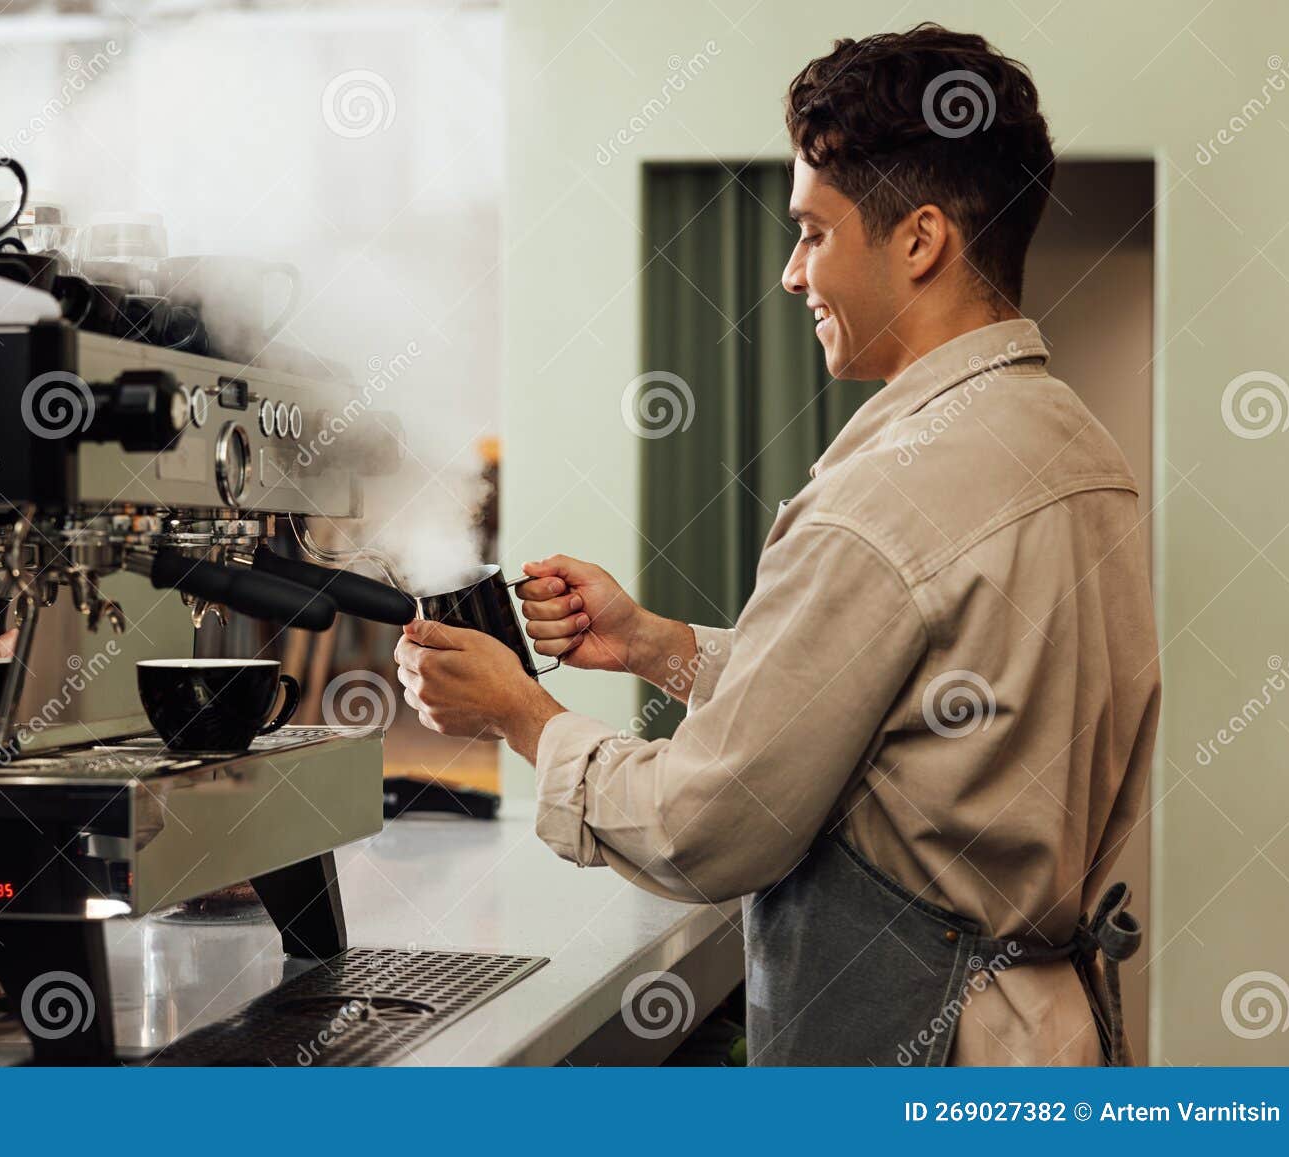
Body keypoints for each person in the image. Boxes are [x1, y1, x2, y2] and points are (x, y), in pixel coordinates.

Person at [395, 24, 1159, 1066]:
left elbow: (707, 828)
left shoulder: (883, 492)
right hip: (1055, 1034)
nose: (793, 275)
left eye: (812, 232)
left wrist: (521, 716)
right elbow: (917, 716)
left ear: (920, 240)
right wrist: (658, 644)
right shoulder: (1076, 447)